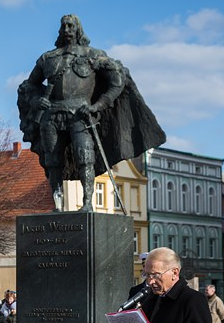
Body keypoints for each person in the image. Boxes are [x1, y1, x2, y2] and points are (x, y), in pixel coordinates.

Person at [18, 14, 165, 211]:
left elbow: (117, 81)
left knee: (85, 157)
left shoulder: (93, 55)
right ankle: (58, 206)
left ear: (78, 29)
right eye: (64, 26)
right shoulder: (48, 58)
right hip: (52, 116)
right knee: (53, 161)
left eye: (71, 26)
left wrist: (98, 105)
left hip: (80, 114)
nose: (67, 29)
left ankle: (87, 204)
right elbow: (30, 85)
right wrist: (37, 99)